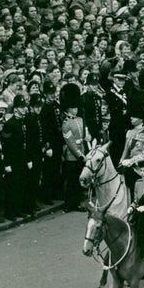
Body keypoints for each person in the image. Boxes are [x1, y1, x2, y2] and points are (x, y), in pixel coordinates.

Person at [119, 92, 144, 202]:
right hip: (129, 166)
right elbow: (126, 150)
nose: (131, 118)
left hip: (141, 168)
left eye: (134, 116)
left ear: (140, 118)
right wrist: (121, 162)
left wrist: (131, 161)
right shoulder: (129, 132)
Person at [60, 83, 87, 213]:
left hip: (81, 151)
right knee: (70, 182)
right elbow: (70, 142)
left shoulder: (80, 120)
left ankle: (76, 203)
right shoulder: (66, 124)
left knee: (77, 181)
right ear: (68, 109)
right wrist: (80, 155)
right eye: (73, 108)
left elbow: (84, 135)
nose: (75, 110)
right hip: (72, 155)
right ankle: (68, 203)